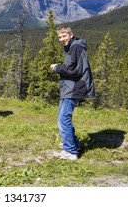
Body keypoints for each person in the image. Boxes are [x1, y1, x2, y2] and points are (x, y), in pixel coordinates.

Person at [50, 25, 95, 160]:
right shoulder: (73, 47)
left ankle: (70, 151)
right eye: (59, 37)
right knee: (61, 115)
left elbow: (75, 70)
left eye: (64, 36)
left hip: (75, 88)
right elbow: (73, 67)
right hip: (71, 88)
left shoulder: (75, 47)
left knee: (64, 117)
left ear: (71, 35)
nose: (62, 39)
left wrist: (57, 67)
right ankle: (74, 143)